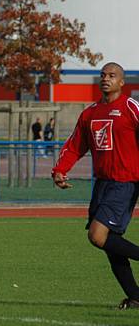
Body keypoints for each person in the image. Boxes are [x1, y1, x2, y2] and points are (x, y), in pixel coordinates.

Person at [52, 62, 139, 310]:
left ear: (122, 82)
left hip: (125, 182)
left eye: (112, 75)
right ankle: (135, 296)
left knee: (97, 235)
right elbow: (75, 145)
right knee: (110, 244)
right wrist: (60, 170)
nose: (106, 78)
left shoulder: (130, 107)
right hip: (102, 184)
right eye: (102, 75)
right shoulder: (90, 113)